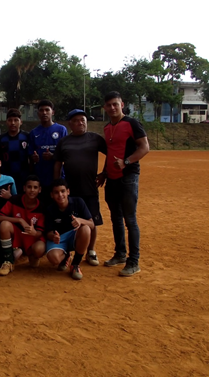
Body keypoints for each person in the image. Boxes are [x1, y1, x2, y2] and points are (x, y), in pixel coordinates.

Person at [99, 91, 149, 277]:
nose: (112, 107)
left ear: (122, 104)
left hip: (128, 176)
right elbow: (111, 152)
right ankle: (120, 254)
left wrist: (127, 161)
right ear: (104, 107)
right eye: (109, 105)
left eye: (115, 104)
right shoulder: (107, 127)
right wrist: (104, 173)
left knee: (130, 219)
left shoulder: (132, 123)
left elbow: (145, 147)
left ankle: (133, 261)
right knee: (115, 218)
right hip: (112, 178)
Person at [54, 109, 107, 267]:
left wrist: (105, 173)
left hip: (90, 188)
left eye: (83, 120)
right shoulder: (64, 142)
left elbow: (111, 153)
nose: (80, 123)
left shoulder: (95, 139)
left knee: (92, 220)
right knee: (69, 221)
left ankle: (91, 251)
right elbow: (57, 164)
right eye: (76, 120)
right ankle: (68, 252)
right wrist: (57, 184)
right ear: (70, 124)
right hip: (70, 191)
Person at [0, 175, 46, 276]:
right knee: (4, 225)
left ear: (39, 190)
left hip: (32, 237)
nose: (32, 190)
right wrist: (19, 220)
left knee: (39, 249)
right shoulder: (15, 200)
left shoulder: (42, 207)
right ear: (24, 188)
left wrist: (34, 232)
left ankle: (32, 255)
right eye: (29, 187)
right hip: (18, 233)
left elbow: (40, 233)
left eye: (35, 187)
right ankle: (8, 261)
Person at [44, 179, 94, 280]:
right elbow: (48, 232)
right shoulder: (50, 209)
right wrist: (53, 237)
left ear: (68, 191)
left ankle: (75, 264)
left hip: (74, 236)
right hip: (60, 239)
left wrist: (80, 220)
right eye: (56, 192)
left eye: (62, 191)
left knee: (86, 229)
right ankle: (66, 255)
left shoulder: (78, 202)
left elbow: (92, 224)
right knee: (54, 259)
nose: (60, 195)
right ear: (51, 195)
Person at [28, 100, 67, 203]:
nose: (44, 113)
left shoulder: (61, 130)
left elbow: (66, 155)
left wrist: (53, 156)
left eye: (47, 110)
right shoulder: (34, 133)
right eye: (41, 110)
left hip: (57, 178)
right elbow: (30, 155)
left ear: (52, 112)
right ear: (38, 113)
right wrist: (33, 157)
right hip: (40, 178)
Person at [0, 108, 30, 194]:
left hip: (23, 176)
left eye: (16, 120)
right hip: (6, 176)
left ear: (21, 122)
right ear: (6, 122)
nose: (13, 123)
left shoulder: (27, 137)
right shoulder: (1, 139)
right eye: (10, 120)